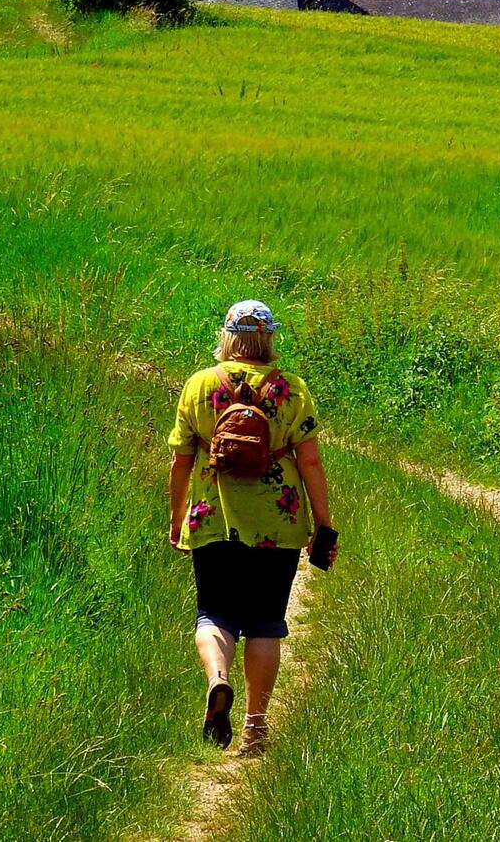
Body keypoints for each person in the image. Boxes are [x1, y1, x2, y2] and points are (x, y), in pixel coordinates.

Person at [168, 300, 336, 755]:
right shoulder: (291, 389)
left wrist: (177, 516)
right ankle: (255, 728)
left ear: (227, 335)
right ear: (269, 338)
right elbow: (311, 461)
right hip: (277, 525)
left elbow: (181, 459)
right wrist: (323, 524)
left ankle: (218, 679)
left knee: (214, 614)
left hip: (212, 520)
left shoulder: (200, 385)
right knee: (265, 622)